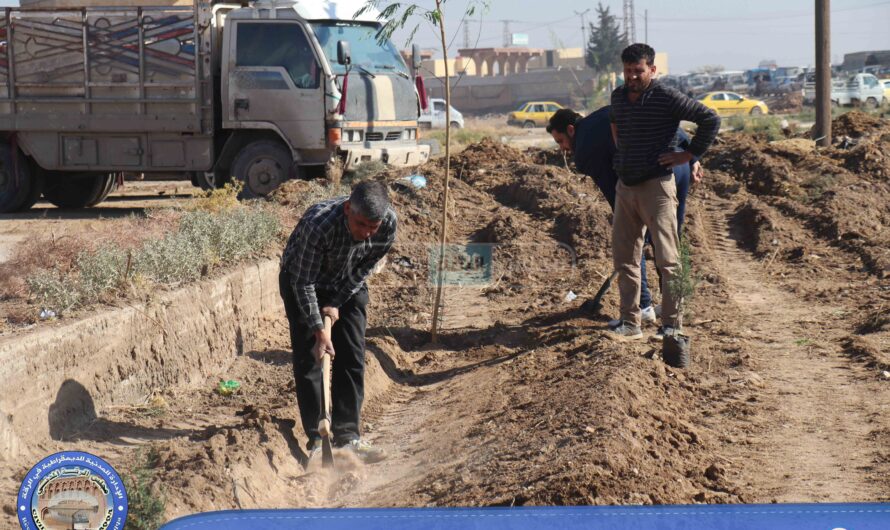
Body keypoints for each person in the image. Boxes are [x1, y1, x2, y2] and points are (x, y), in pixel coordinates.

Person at [608, 43, 720, 367]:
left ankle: (671, 325)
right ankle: (630, 323)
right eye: (628, 71)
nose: (632, 76)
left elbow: (709, 119)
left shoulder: (666, 98)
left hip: (657, 186)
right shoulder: (618, 96)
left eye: (638, 71)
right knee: (625, 257)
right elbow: (616, 122)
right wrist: (623, 154)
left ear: (652, 70)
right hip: (625, 186)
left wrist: (689, 155)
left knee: (667, 258)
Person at [547, 107, 703, 334]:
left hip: (655, 178)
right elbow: (662, 120)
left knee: (630, 243)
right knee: (671, 243)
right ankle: (675, 310)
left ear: (571, 130)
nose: (562, 148)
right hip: (679, 166)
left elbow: (615, 192)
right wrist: (693, 157)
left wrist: (632, 223)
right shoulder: (611, 111)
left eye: (560, 140)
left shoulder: (583, 151)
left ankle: (643, 306)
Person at [279, 180, 396, 464]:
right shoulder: (318, 224)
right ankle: (317, 439)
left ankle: (348, 435)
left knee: (353, 353)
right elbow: (303, 282)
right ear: (347, 209)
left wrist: (336, 302)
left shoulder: (388, 224)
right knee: (311, 359)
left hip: (348, 282)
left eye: (373, 227)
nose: (367, 233)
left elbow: (366, 267)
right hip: (303, 281)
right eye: (361, 224)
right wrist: (320, 330)